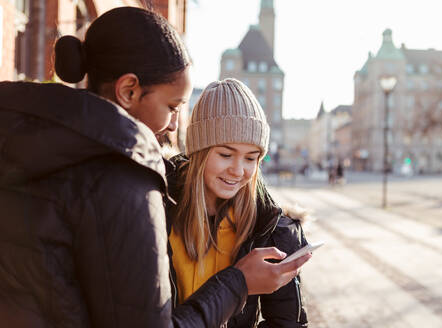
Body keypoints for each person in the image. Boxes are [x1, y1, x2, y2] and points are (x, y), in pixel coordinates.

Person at [0, 7, 309, 328]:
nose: (175, 125)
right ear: (128, 90)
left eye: (251, 157)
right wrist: (238, 282)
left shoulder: (35, 148)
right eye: (172, 106)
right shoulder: (133, 186)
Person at [165, 79, 309, 327]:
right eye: (225, 154)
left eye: (251, 158)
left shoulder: (270, 228)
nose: (238, 170)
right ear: (198, 151)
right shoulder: (158, 210)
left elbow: (287, 322)